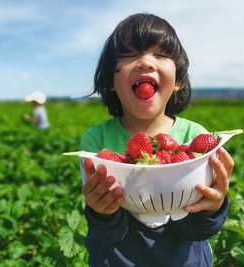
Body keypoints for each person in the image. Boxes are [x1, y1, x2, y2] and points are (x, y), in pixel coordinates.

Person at [79, 13, 234, 267]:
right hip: (116, 259)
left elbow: (197, 230)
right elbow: (107, 231)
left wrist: (214, 205)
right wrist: (101, 211)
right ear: (110, 82)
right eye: (129, 55)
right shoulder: (96, 141)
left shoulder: (196, 138)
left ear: (178, 81)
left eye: (160, 55)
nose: (145, 62)